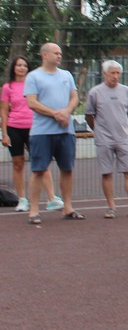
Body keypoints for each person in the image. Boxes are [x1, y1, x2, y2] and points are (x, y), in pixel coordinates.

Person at [23, 43, 84, 223]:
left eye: (60, 53)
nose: (59, 56)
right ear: (44, 55)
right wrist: (55, 114)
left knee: (67, 169)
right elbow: (32, 102)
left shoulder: (66, 75)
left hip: (66, 131)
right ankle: (34, 211)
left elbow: (74, 97)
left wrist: (66, 112)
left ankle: (68, 207)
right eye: (55, 53)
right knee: (38, 170)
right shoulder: (33, 76)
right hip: (41, 132)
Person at [1, 56, 61, 212]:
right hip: (14, 128)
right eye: (18, 65)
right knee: (18, 163)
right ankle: (22, 199)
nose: (22, 68)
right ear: (14, 68)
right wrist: (5, 134)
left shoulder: (34, 83)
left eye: (24, 65)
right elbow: (4, 111)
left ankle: (52, 198)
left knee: (41, 162)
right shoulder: (7, 87)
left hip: (35, 128)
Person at [85, 60, 128, 218]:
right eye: (112, 73)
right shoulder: (95, 92)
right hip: (104, 139)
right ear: (104, 73)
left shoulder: (127, 91)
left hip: (123, 138)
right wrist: (98, 130)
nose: (115, 76)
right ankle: (111, 206)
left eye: (118, 73)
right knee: (106, 173)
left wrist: (121, 127)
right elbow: (89, 115)